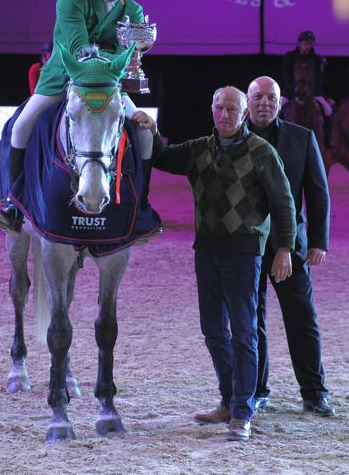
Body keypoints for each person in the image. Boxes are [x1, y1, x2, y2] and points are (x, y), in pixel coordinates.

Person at [137, 86, 297, 441]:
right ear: (212, 110)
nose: (225, 115)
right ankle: (228, 398)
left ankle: (243, 411)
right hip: (206, 251)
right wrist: (149, 127)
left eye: (232, 109)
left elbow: (284, 203)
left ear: (243, 114)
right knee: (213, 331)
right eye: (220, 108)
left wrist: (285, 247)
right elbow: (163, 158)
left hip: (244, 254)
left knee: (243, 332)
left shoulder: (262, 152)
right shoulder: (199, 149)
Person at [0, 0, 152, 234]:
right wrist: (115, 57)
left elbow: (128, 54)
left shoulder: (134, 10)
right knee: (21, 127)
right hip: (63, 79)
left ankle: (141, 207)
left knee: (145, 133)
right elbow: (77, 46)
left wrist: (133, 59)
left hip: (108, 86)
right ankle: (9, 204)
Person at [245, 76, 335, 417]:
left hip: (291, 246)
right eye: (257, 96)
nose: (264, 102)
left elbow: (318, 192)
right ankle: (257, 390)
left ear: (280, 102)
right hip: (247, 247)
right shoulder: (233, 138)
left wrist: (318, 242)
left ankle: (314, 393)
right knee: (252, 321)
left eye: (271, 97)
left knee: (302, 320)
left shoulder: (302, 138)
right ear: (248, 101)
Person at [280, 30, 337, 149]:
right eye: (306, 44)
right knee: (277, 110)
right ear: (299, 43)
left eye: (310, 44)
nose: (308, 47)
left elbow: (319, 79)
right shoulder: (289, 57)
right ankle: (276, 138)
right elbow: (286, 75)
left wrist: (316, 93)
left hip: (312, 93)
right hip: (291, 92)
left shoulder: (316, 59)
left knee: (328, 111)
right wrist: (293, 88)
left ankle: (327, 140)